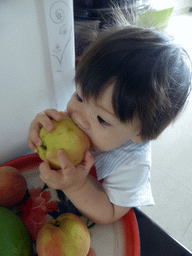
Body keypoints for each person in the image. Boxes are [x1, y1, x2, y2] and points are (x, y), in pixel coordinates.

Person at [28, 5, 191, 225]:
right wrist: (40, 134)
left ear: (140, 134)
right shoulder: (80, 116)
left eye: (102, 119)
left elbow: (110, 213)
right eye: (79, 96)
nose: (78, 117)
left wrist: (77, 186)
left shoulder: (132, 167)